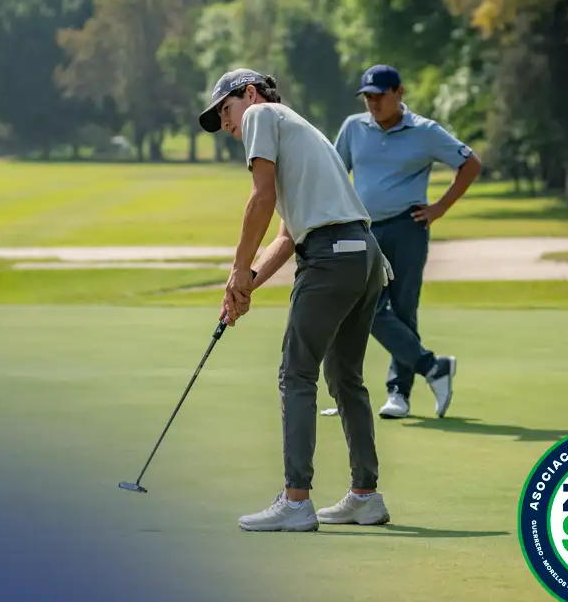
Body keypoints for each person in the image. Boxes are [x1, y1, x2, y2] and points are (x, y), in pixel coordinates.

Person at [199, 68, 395, 533]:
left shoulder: (260, 115)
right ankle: (365, 497)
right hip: (365, 256)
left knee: (297, 373)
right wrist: (247, 284)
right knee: (345, 377)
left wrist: (235, 270)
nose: (226, 124)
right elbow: (287, 237)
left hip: (331, 258)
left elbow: (261, 199)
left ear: (249, 94)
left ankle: (295, 501)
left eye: (225, 110)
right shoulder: (298, 129)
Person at [330, 64, 482, 421]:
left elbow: (471, 164)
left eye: (379, 96)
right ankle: (432, 367)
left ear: (399, 92)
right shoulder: (353, 127)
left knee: (402, 309)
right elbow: (335, 174)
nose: (373, 103)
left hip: (407, 229)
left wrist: (440, 208)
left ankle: (398, 393)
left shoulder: (425, 131)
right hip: (365, 230)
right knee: (362, 306)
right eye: (367, 97)